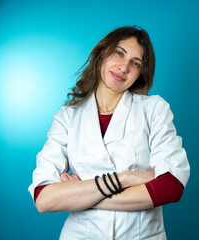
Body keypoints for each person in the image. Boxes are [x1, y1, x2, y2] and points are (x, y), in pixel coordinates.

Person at [28, 26, 190, 240]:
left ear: (140, 74)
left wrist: (79, 195)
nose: (124, 67)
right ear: (102, 53)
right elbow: (44, 199)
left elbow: (171, 186)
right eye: (119, 53)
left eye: (135, 63)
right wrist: (126, 178)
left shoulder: (155, 109)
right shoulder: (67, 116)